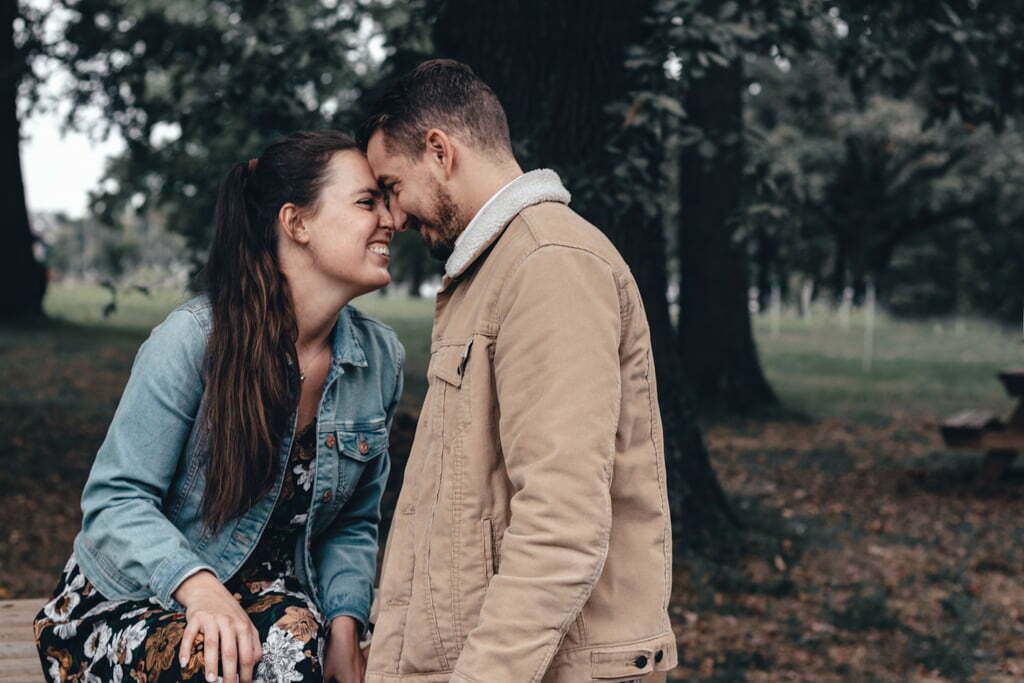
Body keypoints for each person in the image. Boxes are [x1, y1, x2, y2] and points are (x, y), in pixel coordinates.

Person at [33, 130, 405, 683]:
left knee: (299, 647)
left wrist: (346, 626)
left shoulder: (379, 359)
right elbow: (115, 501)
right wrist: (201, 588)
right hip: (132, 602)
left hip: (272, 609)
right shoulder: (193, 340)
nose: (391, 220)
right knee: (243, 659)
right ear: (296, 223)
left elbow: (352, 522)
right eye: (366, 202)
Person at [360, 59, 677, 682]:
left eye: (392, 187)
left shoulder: (549, 264)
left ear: (440, 151)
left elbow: (561, 525)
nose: (393, 218)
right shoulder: (496, 268)